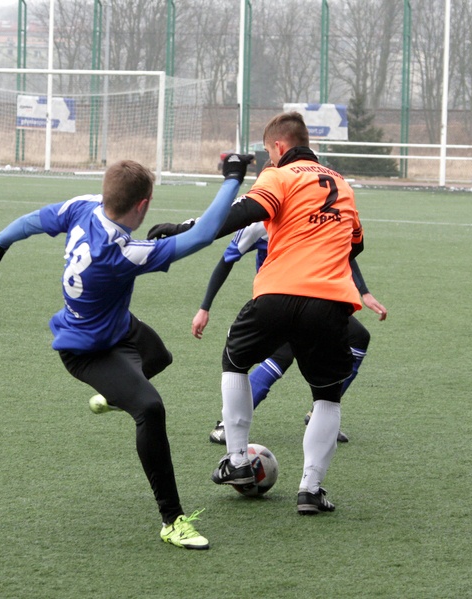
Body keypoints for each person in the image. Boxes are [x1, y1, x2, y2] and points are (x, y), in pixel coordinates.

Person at [0, 154, 254, 550]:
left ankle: (114, 393)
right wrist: (232, 179)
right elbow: (202, 235)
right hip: (86, 351)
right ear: (143, 205)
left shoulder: (83, 206)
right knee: (150, 408)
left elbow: (37, 219)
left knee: (158, 359)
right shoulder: (119, 253)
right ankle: (172, 520)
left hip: (121, 328)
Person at [149, 112, 364, 515]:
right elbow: (355, 245)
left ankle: (238, 462)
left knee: (235, 360)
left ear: (278, 147)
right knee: (327, 394)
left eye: (269, 151)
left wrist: (183, 229)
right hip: (331, 302)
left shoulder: (278, 175)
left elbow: (236, 215)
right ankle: (310, 491)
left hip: (277, 293)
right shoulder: (343, 185)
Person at [185, 220, 387, 445]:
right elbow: (226, 260)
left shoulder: (313, 211)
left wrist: (365, 292)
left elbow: (342, 251)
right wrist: (204, 307)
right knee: (282, 353)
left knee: (358, 338)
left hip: (314, 297)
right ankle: (227, 425)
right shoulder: (259, 222)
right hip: (276, 298)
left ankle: (318, 416)